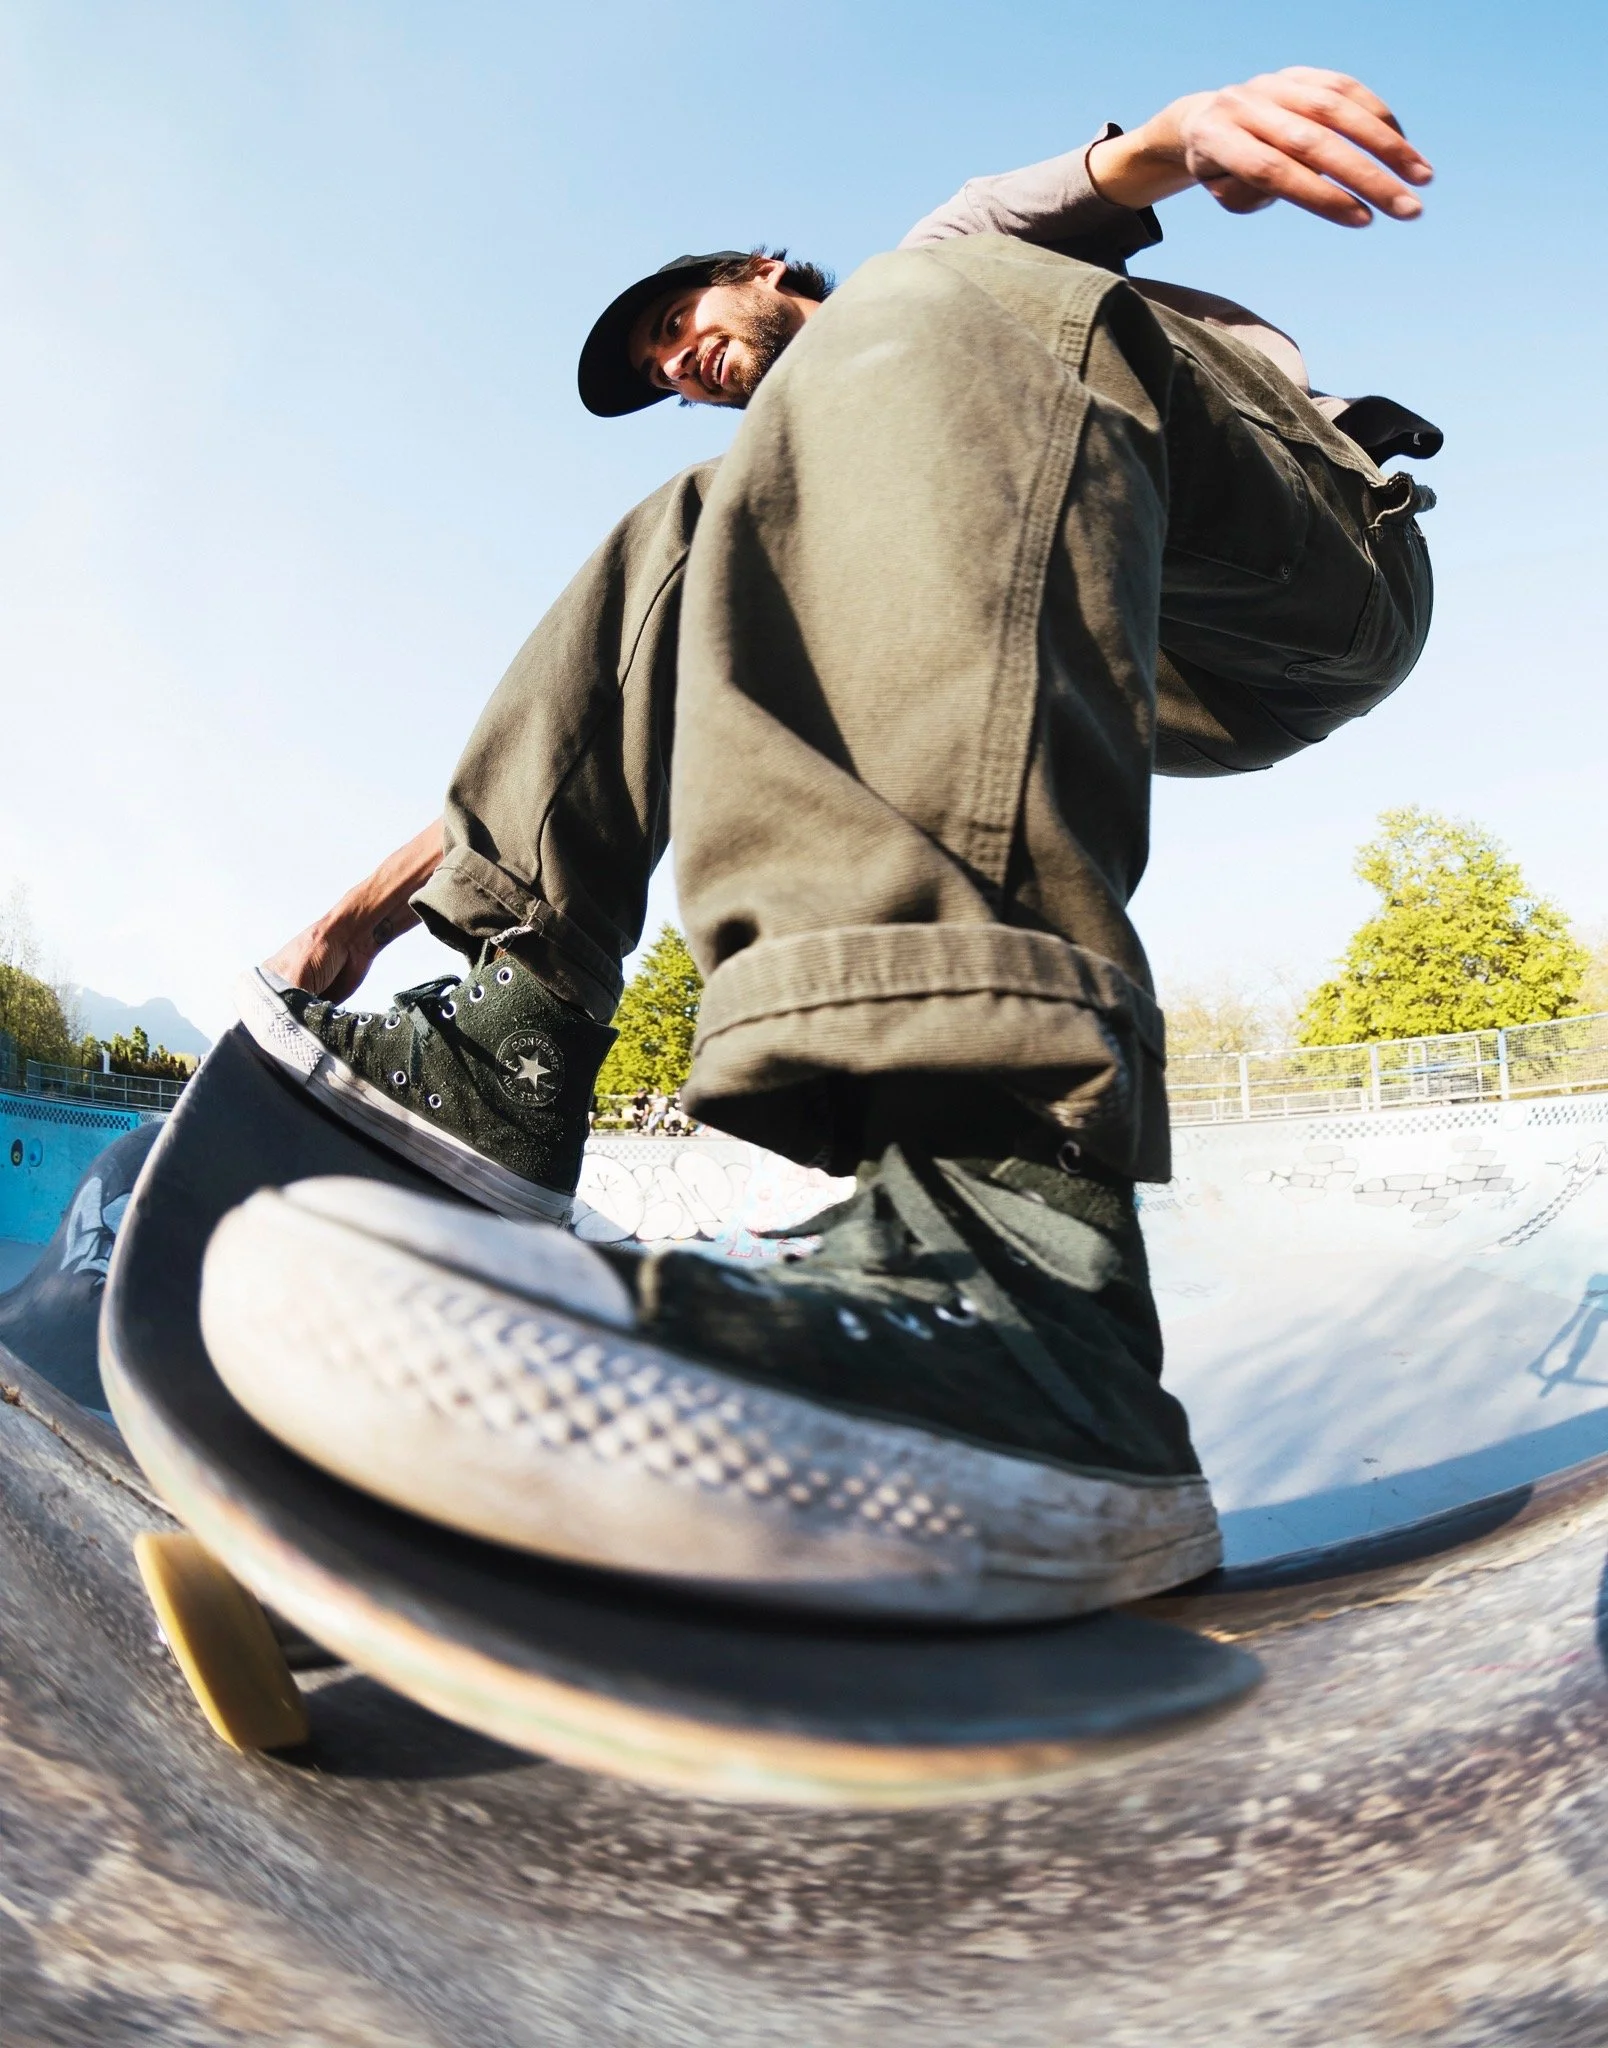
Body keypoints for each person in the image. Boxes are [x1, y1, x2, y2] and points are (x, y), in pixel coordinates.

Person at [210, 68, 1436, 1618]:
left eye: (684, 320)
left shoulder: (930, 276)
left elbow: (1089, 192)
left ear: (766, 269)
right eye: (667, 367)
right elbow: (617, 694)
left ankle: (1013, 1268)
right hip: (1082, 622)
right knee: (696, 531)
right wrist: (369, 917)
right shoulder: (828, 447)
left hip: (1306, 582)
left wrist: (1181, 142)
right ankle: (511, 1038)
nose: (686, 361)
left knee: (934, 312)